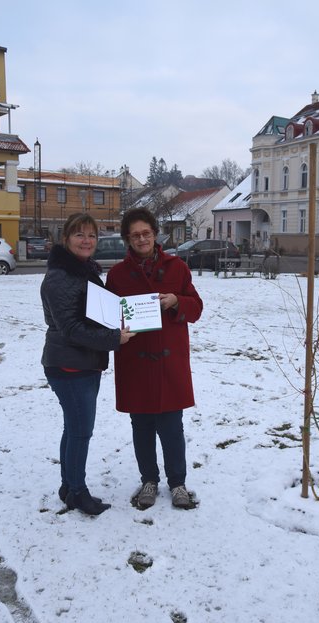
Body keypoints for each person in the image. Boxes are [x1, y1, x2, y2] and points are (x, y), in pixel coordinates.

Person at [106, 207, 203, 509]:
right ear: (127, 239)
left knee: (172, 427)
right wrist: (114, 324)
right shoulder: (118, 274)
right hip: (135, 363)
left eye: (146, 233)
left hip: (168, 363)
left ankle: (178, 483)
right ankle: (149, 479)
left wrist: (177, 301)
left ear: (155, 234)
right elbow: (108, 316)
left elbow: (197, 308)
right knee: (142, 426)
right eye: (135, 235)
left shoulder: (177, 268)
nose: (142, 238)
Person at [41, 213, 133, 516]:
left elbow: (91, 312)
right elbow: (72, 329)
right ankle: (78, 493)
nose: (86, 240)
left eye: (91, 235)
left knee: (73, 428)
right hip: (70, 366)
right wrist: (113, 338)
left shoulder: (80, 271)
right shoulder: (61, 277)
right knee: (80, 432)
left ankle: (68, 486)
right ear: (66, 239)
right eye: (79, 235)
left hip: (81, 363)